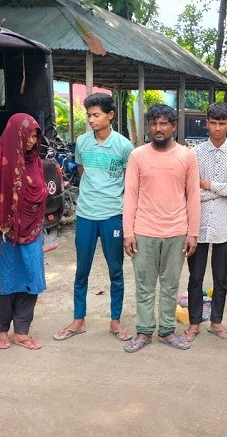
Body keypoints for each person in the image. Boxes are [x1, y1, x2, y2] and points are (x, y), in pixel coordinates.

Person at [54, 93, 134, 342]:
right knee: (82, 270)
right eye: (88, 115)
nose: (91, 120)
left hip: (113, 215)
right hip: (86, 215)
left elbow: (130, 182)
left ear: (110, 115)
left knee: (116, 271)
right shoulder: (82, 142)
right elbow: (82, 171)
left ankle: (115, 321)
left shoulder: (124, 146)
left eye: (96, 115)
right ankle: (78, 319)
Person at [123, 104, 200, 352]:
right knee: (144, 285)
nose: (158, 128)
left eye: (163, 124)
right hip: (144, 231)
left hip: (177, 231)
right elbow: (130, 195)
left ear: (173, 126)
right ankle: (144, 331)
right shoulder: (137, 156)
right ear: (148, 127)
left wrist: (192, 233)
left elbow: (193, 196)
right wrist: (128, 232)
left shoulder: (187, 156)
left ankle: (167, 330)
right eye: (154, 123)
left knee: (170, 285)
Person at [185, 102, 227, 342]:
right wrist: (224, 190)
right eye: (213, 123)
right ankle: (194, 323)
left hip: (225, 225)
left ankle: (216, 322)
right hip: (198, 224)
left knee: (220, 277)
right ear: (207, 123)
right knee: (195, 276)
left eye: (222, 123)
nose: (218, 128)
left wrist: (209, 185)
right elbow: (190, 190)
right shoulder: (195, 154)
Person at [0, 113, 48, 351]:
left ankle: (22, 331)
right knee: (3, 280)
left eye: (35, 136)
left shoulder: (35, 161)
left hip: (32, 231)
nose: (32, 141)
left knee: (30, 277)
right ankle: (2, 330)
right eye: (28, 135)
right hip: (2, 231)